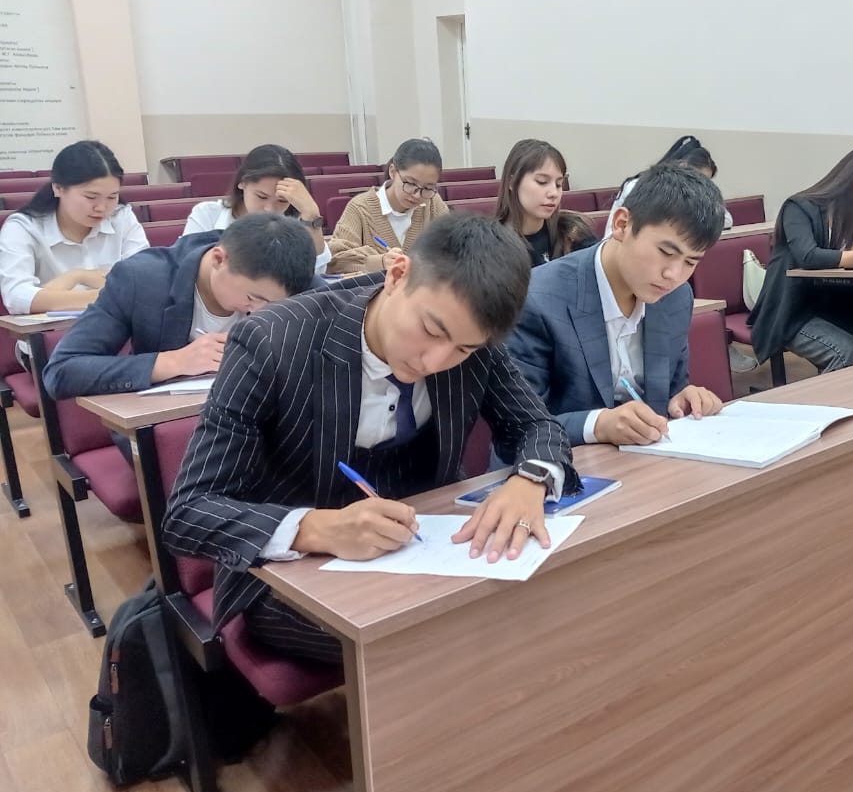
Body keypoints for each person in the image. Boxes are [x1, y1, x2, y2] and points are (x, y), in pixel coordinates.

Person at [162, 213, 578, 666]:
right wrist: (318, 528)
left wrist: (530, 481)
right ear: (397, 274)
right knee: (449, 643)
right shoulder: (272, 340)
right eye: (431, 330)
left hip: (427, 552)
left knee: (536, 607)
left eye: (462, 349)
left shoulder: (472, 342)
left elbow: (538, 425)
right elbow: (189, 511)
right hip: (294, 574)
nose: (435, 361)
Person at [508, 163, 725, 446]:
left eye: (691, 261)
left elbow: (672, 391)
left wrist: (683, 400)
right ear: (622, 224)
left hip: (646, 460)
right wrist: (598, 425)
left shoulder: (676, 298)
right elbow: (517, 426)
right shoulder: (537, 298)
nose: (674, 274)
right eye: (666, 252)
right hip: (560, 463)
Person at [43, 215, 318, 400]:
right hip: (173, 424)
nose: (258, 310)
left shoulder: (295, 275)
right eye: (252, 297)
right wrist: (174, 361)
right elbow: (61, 372)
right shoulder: (141, 279)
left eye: (273, 305)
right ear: (219, 259)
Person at [748, 146, 853, 373]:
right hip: (791, 310)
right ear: (852, 179)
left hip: (830, 306)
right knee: (846, 352)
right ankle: (829, 397)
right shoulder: (799, 208)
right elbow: (808, 256)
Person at [0, 140, 149, 315]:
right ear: (58, 188)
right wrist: (104, 291)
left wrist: (76, 277)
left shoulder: (121, 217)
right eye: (91, 197)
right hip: (54, 331)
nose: (101, 207)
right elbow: (17, 297)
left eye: (112, 197)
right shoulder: (23, 228)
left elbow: (146, 280)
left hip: (119, 326)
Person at [181, 144, 331, 274]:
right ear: (242, 183)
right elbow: (186, 265)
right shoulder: (207, 214)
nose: (270, 209)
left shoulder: (297, 223)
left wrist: (312, 214)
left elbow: (316, 273)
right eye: (261, 196)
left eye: (282, 200)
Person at [327, 138, 450, 274]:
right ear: (393, 172)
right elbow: (336, 260)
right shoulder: (360, 208)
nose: (417, 195)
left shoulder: (432, 203)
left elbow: (455, 248)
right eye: (410, 183)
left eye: (427, 188)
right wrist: (380, 262)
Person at [495, 139, 596, 267]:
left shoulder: (572, 232)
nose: (554, 193)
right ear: (512, 183)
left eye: (559, 184)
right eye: (542, 182)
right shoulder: (492, 245)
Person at [605, 135, 734, 231]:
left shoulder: (691, 196)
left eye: (706, 182)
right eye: (696, 178)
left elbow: (726, 220)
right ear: (680, 166)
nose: (700, 186)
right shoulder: (639, 186)